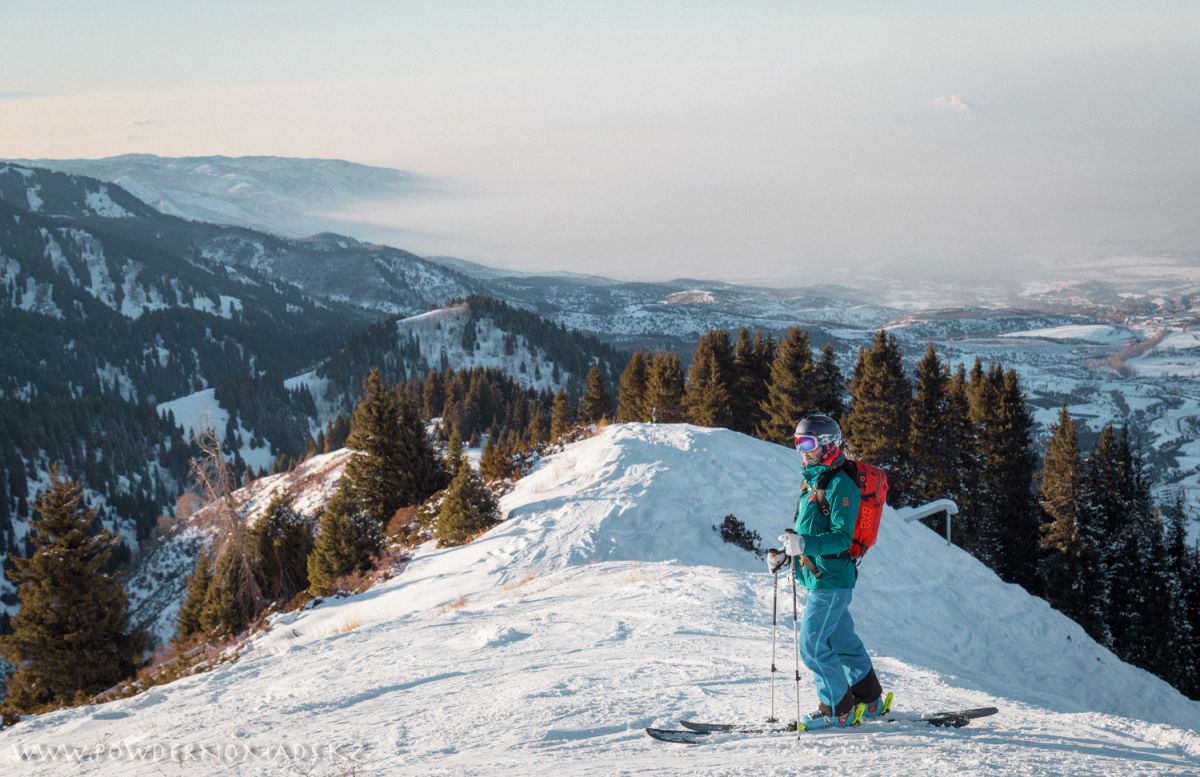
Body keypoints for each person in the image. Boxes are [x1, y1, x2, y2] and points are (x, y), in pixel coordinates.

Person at [769, 413, 888, 729]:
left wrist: (803, 544)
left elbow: (840, 537)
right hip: (819, 577)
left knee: (812, 646)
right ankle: (870, 702)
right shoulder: (812, 481)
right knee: (842, 642)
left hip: (831, 581)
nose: (801, 450)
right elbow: (807, 531)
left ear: (828, 444)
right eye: (797, 443)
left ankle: (838, 710)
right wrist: (787, 554)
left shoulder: (840, 485)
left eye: (807, 442)